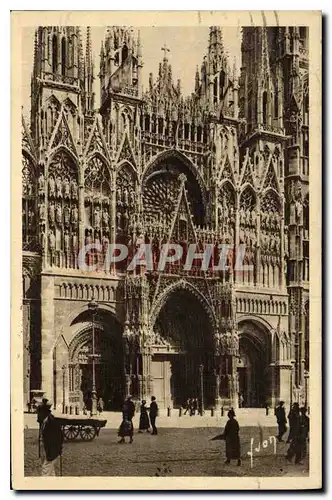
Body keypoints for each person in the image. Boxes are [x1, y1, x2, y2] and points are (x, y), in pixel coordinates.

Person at [40, 401, 63, 476]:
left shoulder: (52, 422)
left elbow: (60, 435)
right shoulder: (45, 421)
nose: (38, 416)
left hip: (52, 451)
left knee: (45, 470)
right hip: (49, 451)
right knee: (51, 472)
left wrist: (59, 448)